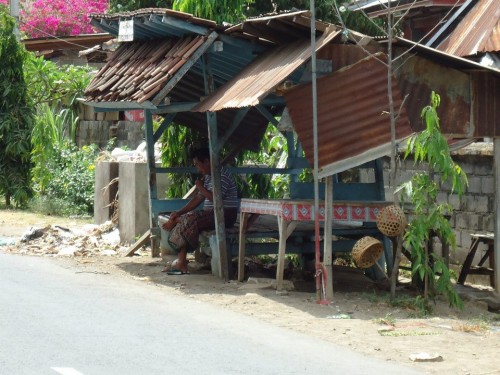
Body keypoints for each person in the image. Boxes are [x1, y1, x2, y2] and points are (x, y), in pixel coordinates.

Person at [161, 147, 238, 274]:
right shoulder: (209, 176)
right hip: (211, 215)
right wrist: (179, 212)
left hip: (225, 215)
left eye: (198, 164)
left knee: (189, 219)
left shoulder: (221, 175)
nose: (197, 168)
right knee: (187, 219)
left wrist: (200, 187)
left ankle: (181, 262)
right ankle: (181, 262)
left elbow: (215, 199)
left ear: (207, 161)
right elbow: (198, 198)